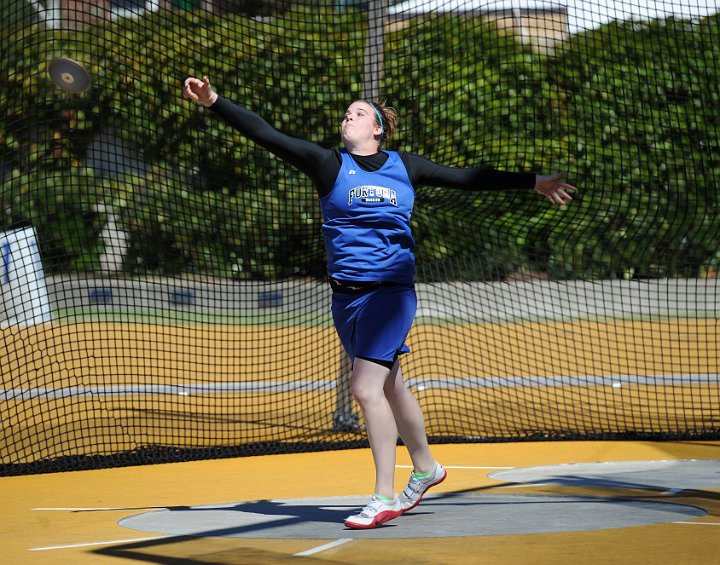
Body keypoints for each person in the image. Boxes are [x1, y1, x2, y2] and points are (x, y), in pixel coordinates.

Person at [183, 76, 577, 529]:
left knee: (365, 389)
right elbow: (266, 133)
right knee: (391, 386)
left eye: (358, 112)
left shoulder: (404, 167)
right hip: (346, 300)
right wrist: (214, 101)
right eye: (346, 113)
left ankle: (384, 495)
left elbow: (467, 178)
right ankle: (428, 468)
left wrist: (533, 182)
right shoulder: (329, 164)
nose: (347, 117)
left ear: (377, 130)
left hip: (390, 294)